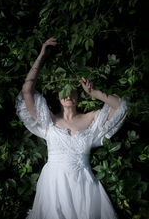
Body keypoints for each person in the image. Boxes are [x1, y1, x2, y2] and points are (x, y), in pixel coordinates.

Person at [15, 37, 128, 219]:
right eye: (63, 90)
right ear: (58, 95)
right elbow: (27, 90)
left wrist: (94, 92)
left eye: (73, 90)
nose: (68, 94)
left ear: (79, 94)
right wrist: (42, 55)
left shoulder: (91, 119)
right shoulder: (48, 121)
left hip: (84, 187)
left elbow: (120, 106)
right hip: (54, 186)